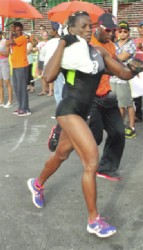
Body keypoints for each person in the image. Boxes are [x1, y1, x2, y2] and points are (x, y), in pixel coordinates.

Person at [27, 11, 142, 238]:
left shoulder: (98, 52)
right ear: (72, 30)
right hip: (68, 111)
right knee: (91, 160)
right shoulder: (68, 52)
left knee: (61, 155)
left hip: (82, 113)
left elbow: (124, 73)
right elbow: (48, 76)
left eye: (90, 25)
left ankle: (37, 183)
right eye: (83, 26)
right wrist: (62, 41)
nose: (89, 29)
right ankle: (94, 220)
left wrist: (138, 64)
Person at [89, 13, 125, 181]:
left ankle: (105, 168)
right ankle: (62, 131)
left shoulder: (110, 45)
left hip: (107, 95)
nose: (112, 34)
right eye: (109, 30)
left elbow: (116, 61)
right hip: (90, 98)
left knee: (118, 132)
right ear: (98, 27)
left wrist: (130, 67)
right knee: (94, 138)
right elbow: (103, 68)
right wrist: (124, 72)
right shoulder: (88, 44)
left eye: (114, 31)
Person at [110, 21, 136, 139]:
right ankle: (119, 126)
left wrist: (111, 57)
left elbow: (122, 57)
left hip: (125, 78)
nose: (122, 33)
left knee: (127, 104)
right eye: (120, 31)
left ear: (128, 33)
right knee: (118, 103)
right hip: (114, 78)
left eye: (125, 31)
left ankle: (131, 127)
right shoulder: (114, 44)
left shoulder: (131, 44)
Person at [8, 22, 31, 116]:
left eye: (17, 30)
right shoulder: (15, 38)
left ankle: (25, 108)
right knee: (17, 88)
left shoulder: (22, 38)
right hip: (15, 65)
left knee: (22, 88)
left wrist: (11, 33)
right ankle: (20, 106)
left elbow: (10, 42)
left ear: (21, 30)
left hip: (22, 65)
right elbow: (8, 43)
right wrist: (11, 34)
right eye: (15, 30)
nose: (16, 32)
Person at [0, 30, 13, 108]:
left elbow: (7, 54)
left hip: (4, 62)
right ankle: (1, 101)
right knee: (0, 83)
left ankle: (10, 101)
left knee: (7, 82)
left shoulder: (5, 41)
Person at [133, 21, 143, 122]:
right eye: (140, 27)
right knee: (137, 94)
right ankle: (138, 114)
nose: (142, 29)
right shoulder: (134, 41)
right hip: (137, 69)